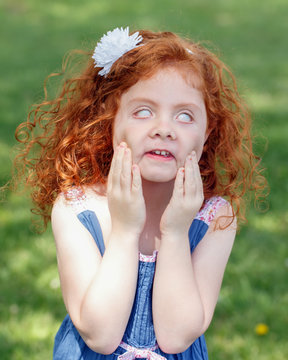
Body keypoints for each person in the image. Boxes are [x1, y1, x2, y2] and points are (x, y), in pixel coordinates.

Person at [13, 27, 266, 359]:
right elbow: (100, 336)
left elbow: (176, 338)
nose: (164, 128)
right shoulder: (78, 209)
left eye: (185, 115)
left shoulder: (214, 217)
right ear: (110, 121)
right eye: (143, 111)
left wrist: (175, 232)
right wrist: (125, 230)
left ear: (208, 134)